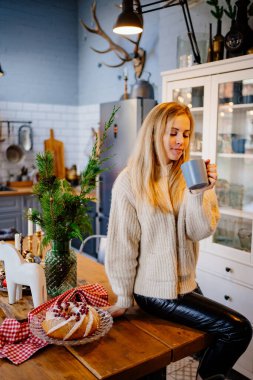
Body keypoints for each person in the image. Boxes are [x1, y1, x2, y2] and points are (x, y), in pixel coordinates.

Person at [105, 102, 252, 380]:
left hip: (186, 284)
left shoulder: (189, 176)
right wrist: (124, 298)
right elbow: (123, 245)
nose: (180, 141)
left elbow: (199, 231)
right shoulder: (130, 181)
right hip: (155, 292)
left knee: (217, 336)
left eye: (185, 134)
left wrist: (201, 191)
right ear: (153, 134)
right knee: (238, 329)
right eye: (173, 133)